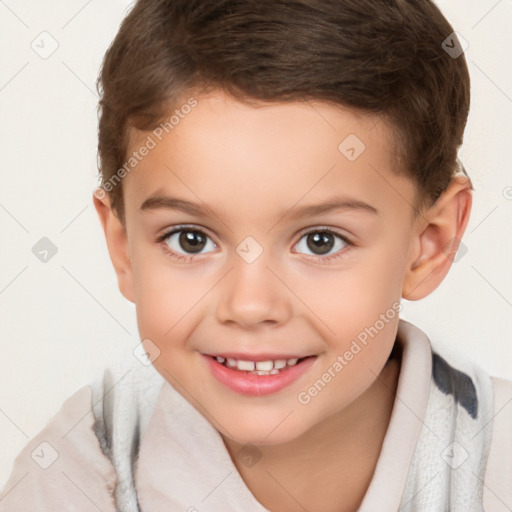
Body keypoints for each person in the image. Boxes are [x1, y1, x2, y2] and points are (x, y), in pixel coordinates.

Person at [1, 0, 510, 510]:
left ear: (430, 244)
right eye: (190, 239)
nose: (249, 305)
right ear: (124, 246)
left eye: (321, 241)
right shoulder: (69, 485)